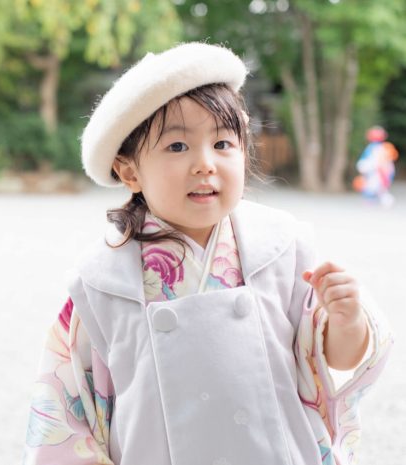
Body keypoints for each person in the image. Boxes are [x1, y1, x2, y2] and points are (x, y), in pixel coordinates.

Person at [23, 43, 393, 465]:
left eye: (222, 143)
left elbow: (332, 364)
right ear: (129, 171)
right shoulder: (101, 284)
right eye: (177, 147)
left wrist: (348, 322)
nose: (205, 164)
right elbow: (66, 413)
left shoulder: (281, 249)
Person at [352, 125, 399, 207]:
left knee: (376, 186)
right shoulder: (382, 147)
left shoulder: (382, 147)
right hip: (377, 171)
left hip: (380, 171)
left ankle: (378, 199)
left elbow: (389, 159)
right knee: (374, 186)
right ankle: (376, 199)